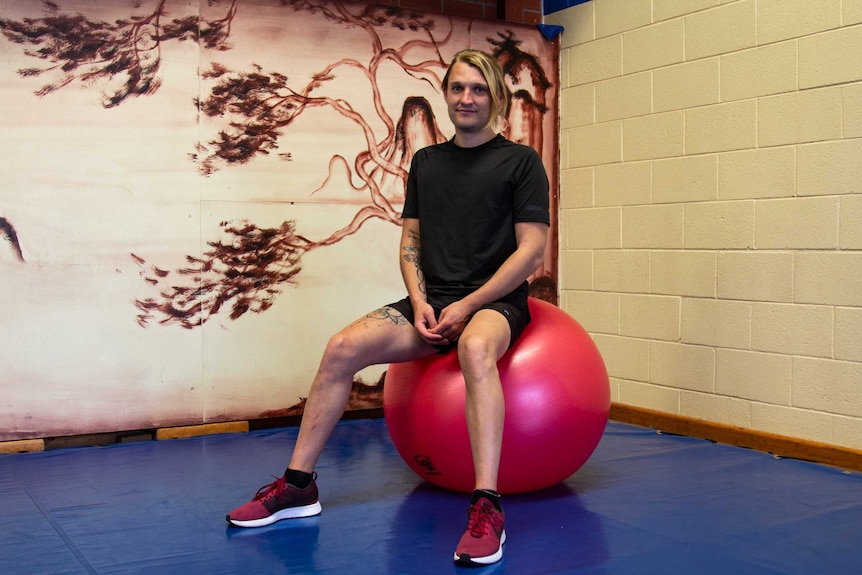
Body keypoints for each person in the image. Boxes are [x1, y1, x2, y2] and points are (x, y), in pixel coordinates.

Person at [226, 48, 550, 567]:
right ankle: (298, 486)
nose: (467, 99)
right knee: (340, 349)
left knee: (474, 348)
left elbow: (532, 250)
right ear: (446, 94)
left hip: (493, 302)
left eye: (478, 89)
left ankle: (487, 505)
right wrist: (421, 302)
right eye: (458, 88)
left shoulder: (519, 162)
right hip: (431, 303)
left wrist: (468, 303)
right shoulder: (427, 162)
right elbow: (411, 242)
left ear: (495, 98)